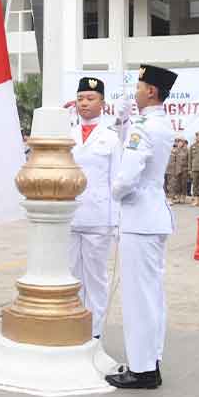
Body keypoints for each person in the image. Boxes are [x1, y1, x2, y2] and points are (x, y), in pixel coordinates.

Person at [105, 64, 178, 390]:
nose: (135, 90)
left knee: (139, 299)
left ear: (151, 91)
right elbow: (129, 146)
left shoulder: (145, 126)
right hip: (153, 216)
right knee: (151, 296)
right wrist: (122, 119)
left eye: (138, 85)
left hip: (139, 217)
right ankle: (150, 360)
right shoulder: (157, 123)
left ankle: (143, 369)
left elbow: (128, 173)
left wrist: (114, 191)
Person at [68, 76, 125, 338]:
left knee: (96, 279)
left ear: (102, 103)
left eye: (90, 98)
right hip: (69, 216)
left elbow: (116, 180)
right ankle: (74, 326)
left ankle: (95, 332)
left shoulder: (111, 136)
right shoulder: (66, 133)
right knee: (71, 277)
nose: (84, 103)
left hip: (99, 218)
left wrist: (116, 221)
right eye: (80, 98)